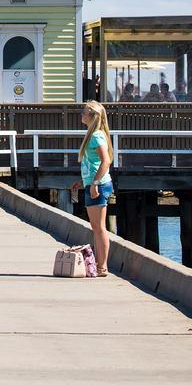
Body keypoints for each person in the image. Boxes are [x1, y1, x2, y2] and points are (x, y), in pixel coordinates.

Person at [70, 100, 114, 276]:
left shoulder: (96, 135)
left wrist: (94, 183)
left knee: (100, 227)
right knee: (95, 226)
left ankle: (103, 266)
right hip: (92, 183)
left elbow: (106, 161)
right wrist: (83, 181)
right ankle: (99, 264)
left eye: (84, 112)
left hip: (100, 185)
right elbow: (92, 163)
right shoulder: (93, 134)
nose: (82, 114)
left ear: (92, 116)